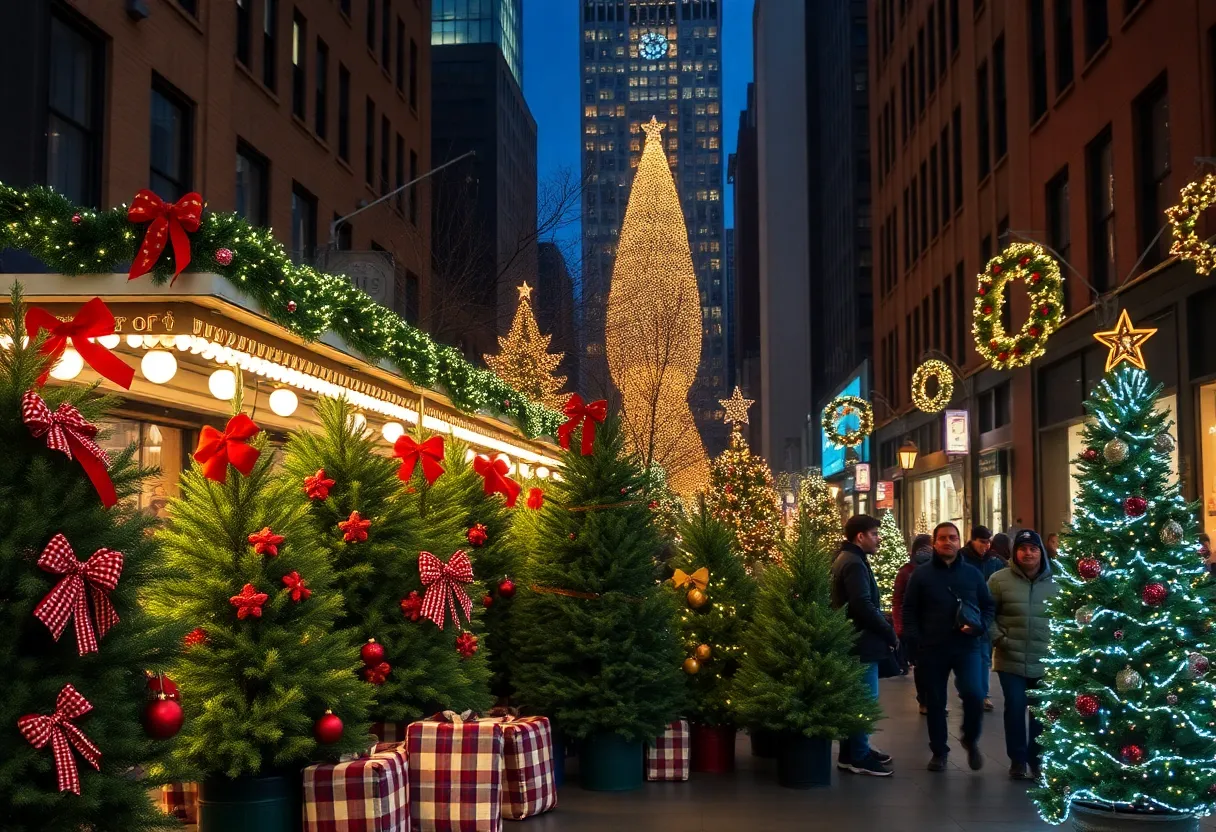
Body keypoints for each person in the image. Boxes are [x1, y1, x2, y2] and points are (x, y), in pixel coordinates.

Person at [902, 521, 995, 772]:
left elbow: (988, 606)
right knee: (935, 702)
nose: (947, 542)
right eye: (942, 538)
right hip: (932, 648)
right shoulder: (921, 575)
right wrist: (915, 640)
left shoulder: (972, 574)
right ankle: (939, 751)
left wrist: (980, 627)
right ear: (934, 542)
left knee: (974, 694)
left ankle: (970, 737)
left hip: (967, 646)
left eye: (952, 537)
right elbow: (908, 609)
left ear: (958, 541)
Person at [830, 514, 898, 777]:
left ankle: (852, 752)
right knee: (863, 701)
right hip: (860, 642)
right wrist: (888, 630)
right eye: (874, 534)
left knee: (854, 700)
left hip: (851, 639)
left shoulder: (846, 558)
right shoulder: (854, 563)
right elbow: (861, 605)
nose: (878, 539)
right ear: (860, 536)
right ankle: (858, 755)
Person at [988, 529, 1058, 780]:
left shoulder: (1057, 581)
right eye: (1023, 548)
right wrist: (999, 638)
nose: (1028, 553)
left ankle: (1037, 759)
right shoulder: (998, 580)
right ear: (1015, 552)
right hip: (1010, 657)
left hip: (1045, 659)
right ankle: (1017, 759)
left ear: (1041, 553)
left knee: (1041, 713)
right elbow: (987, 614)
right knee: (1015, 707)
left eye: (1033, 549)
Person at [960, 526, 1001, 712]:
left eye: (988, 542)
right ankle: (967, 692)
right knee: (964, 657)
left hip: (985, 615)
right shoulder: (961, 558)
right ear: (973, 540)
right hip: (965, 614)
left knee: (984, 656)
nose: (985, 546)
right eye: (982, 542)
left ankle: (983, 695)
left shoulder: (994, 560)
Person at [893, 534, 933, 714]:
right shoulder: (906, 571)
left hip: (935, 625)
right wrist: (900, 627)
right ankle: (924, 699)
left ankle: (934, 699)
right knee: (921, 664)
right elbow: (898, 601)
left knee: (935, 666)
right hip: (915, 626)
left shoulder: (938, 569)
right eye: (925, 548)